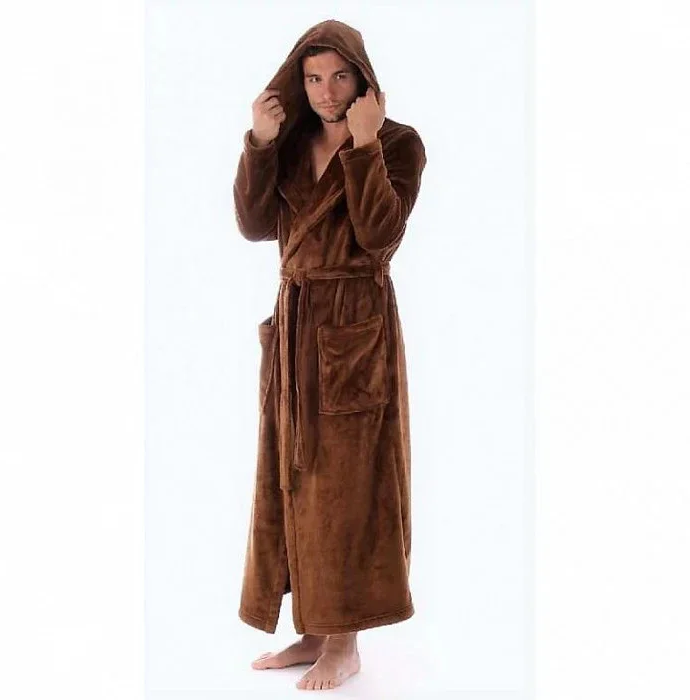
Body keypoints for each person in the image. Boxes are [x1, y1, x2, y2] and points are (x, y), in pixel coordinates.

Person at [232, 19, 427, 691]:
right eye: (313, 77)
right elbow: (256, 225)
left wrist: (365, 146)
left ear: (362, 77)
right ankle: (315, 628)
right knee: (295, 476)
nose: (325, 90)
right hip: (295, 328)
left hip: (354, 330)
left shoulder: (397, 143)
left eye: (339, 75)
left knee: (347, 483)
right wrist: (259, 143)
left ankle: (345, 642)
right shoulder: (289, 142)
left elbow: (379, 237)